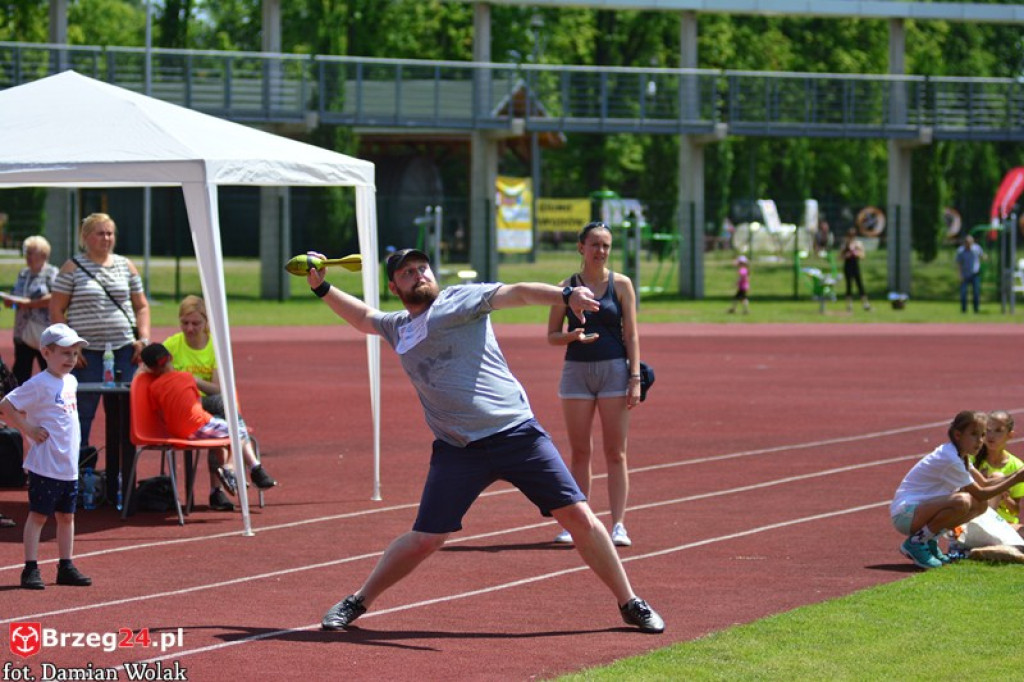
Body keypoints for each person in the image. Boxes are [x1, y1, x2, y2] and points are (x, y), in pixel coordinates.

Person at [308, 248, 665, 634]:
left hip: (516, 434)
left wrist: (565, 296)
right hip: (459, 449)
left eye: (422, 268)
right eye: (408, 273)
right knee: (427, 538)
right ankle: (358, 600)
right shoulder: (398, 327)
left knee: (578, 516)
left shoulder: (461, 300)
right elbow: (363, 318)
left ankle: (630, 602)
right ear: (394, 286)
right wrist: (321, 286)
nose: (419, 274)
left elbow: (519, 292)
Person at [546, 221, 641, 547]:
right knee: (580, 452)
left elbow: (631, 333)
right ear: (581, 248)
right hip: (576, 372)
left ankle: (618, 525)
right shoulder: (566, 287)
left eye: (606, 245)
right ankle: (577, 523)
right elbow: (552, 335)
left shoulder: (622, 284)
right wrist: (571, 336)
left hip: (615, 371)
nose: (600, 251)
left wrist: (635, 378)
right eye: (594, 245)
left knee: (616, 452)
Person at [0, 323, 92, 589]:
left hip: (67, 466)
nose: (71, 359)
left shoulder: (71, 381)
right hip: (45, 465)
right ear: (46, 353)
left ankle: (66, 565)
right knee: (39, 516)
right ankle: (30, 568)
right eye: (64, 353)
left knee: (67, 517)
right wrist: (27, 428)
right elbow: (6, 404)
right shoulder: (39, 383)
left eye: (74, 354)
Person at [49, 213, 151, 448]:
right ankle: (82, 472)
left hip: (124, 350)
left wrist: (143, 339)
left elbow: (141, 305)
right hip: (87, 354)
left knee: (124, 414)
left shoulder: (126, 266)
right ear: (85, 237)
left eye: (110, 233)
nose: (106, 238)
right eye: (100, 233)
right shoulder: (72, 267)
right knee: (82, 413)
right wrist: (69, 346)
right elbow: (56, 309)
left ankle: (122, 475)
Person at [890, 411, 1024, 569]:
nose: (980, 441)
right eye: (974, 434)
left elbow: (985, 483)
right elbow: (981, 492)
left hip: (920, 511)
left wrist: (1016, 474)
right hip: (906, 514)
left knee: (980, 506)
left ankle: (929, 540)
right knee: (963, 500)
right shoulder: (951, 458)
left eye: (982, 435)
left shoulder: (962, 456)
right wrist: (1015, 479)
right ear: (958, 435)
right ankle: (916, 543)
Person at [138, 343, 276, 496]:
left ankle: (233, 473)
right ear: (170, 357)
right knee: (240, 430)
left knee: (227, 431)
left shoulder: (154, 387)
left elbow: (162, 415)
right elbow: (197, 403)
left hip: (177, 432)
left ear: (150, 369)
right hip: (198, 425)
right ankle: (230, 468)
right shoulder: (186, 377)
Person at [162, 295, 250, 511]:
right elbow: (154, 373)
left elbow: (218, 388)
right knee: (225, 419)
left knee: (219, 414)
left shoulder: (215, 347)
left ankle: (217, 488)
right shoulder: (172, 345)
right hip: (184, 411)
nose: (190, 328)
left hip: (208, 409)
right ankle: (249, 465)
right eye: (185, 323)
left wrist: (191, 380)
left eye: (196, 323)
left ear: (206, 323)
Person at [4, 236, 58, 384]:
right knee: (20, 374)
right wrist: (11, 303)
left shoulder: (52, 273)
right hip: (23, 333)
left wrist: (29, 304)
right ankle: (18, 406)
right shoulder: (23, 274)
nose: (27, 256)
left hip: (45, 333)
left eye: (31, 252)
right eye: (27, 252)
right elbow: (17, 299)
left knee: (49, 372)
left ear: (43, 254)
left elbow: (55, 298)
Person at [973, 410, 1023, 529]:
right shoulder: (972, 459)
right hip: (975, 518)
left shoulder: (1017, 466)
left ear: (1010, 435)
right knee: (998, 477)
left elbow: (1015, 510)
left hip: (1005, 523)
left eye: (998, 431)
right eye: (988, 430)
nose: (991, 436)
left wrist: (1006, 497)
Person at [839, 228, 871, 312]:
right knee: (849, 286)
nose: (851, 237)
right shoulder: (845, 244)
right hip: (847, 265)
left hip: (855, 265)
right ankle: (849, 305)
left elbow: (863, 255)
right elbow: (840, 257)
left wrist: (857, 253)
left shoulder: (858, 244)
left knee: (860, 285)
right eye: (850, 235)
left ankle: (865, 304)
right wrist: (847, 255)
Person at [955, 234, 984, 313]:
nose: (969, 244)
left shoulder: (977, 248)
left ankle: (976, 310)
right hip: (965, 274)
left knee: (976, 293)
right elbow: (959, 264)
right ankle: (964, 310)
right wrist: (960, 274)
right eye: (967, 242)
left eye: (970, 242)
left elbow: (982, 256)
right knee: (963, 293)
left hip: (975, 274)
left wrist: (984, 258)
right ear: (965, 242)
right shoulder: (960, 251)